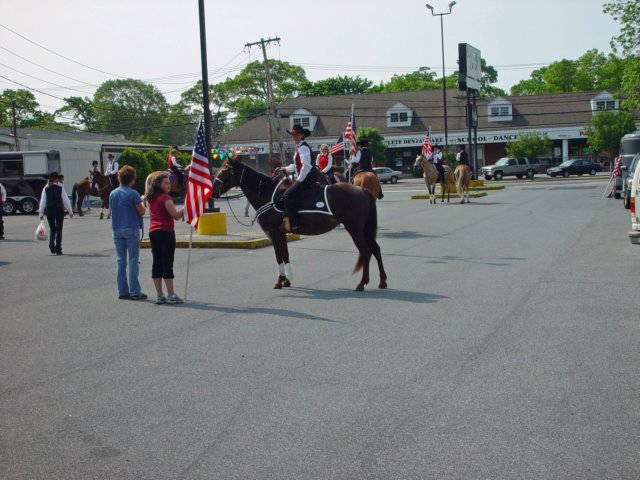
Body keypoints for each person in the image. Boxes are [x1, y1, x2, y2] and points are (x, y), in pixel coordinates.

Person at [145, 173, 184, 305]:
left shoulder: (151, 197)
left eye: (169, 183)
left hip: (153, 232)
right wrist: (187, 208)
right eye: (166, 183)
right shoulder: (165, 198)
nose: (168, 185)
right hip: (166, 232)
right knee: (167, 263)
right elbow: (176, 216)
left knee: (157, 263)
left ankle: (159, 295)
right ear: (159, 185)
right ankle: (171, 294)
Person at [109, 165, 147, 301]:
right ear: (132, 179)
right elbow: (141, 211)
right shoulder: (133, 193)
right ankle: (135, 291)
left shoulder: (113, 193)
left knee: (120, 261)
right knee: (133, 260)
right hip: (131, 227)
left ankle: (122, 291)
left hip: (116, 228)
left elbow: (111, 211)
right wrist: (143, 202)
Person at [278, 124, 317, 233]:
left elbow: (306, 166)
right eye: (293, 135)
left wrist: (299, 180)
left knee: (287, 195)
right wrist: (285, 168)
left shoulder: (303, 147)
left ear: (301, 135)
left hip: (308, 177)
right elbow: (296, 165)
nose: (294, 137)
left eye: (296, 135)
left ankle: (295, 224)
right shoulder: (299, 147)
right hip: (304, 176)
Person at [38, 172, 73, 255]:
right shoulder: (60, 187)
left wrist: (41, 213)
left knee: (52, 229)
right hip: (59, 210)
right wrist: (70, 211)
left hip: (50, 210)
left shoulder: (45, 188)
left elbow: (43, 201)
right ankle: (58, 249)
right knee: (59, 229)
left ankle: (51, 244)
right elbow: (66, 201)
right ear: (56, 179)